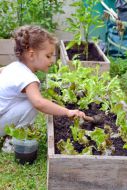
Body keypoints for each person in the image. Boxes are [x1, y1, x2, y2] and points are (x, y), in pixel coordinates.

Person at [0, 25, 86, 139]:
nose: (51, 61)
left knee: (28, 100)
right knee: (32, 105)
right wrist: (67, 112)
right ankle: (13, 141)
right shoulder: (28, 79)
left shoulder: (13, 66)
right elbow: (39, 103)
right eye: (48, 56)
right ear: (31, 54)